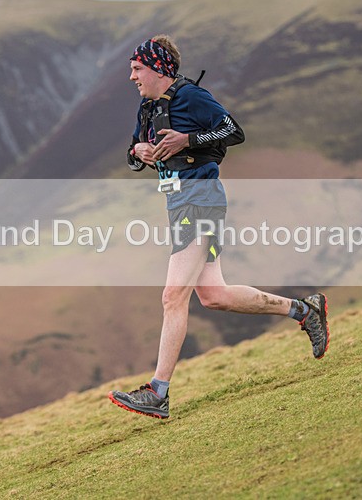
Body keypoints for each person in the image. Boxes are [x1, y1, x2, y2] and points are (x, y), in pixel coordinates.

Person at [108, 35, 329, 419]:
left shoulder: (192, 97)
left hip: (202, 198)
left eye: (137, 68)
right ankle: (304, 310)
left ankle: (158, 392)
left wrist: (187, 139)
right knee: (214, 295)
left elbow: (233, 131)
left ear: (159, 68)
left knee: (172, 296)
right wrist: (138, 153)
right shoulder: (147, 107)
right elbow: (132, 156)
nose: (131, 77)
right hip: (177, 203)